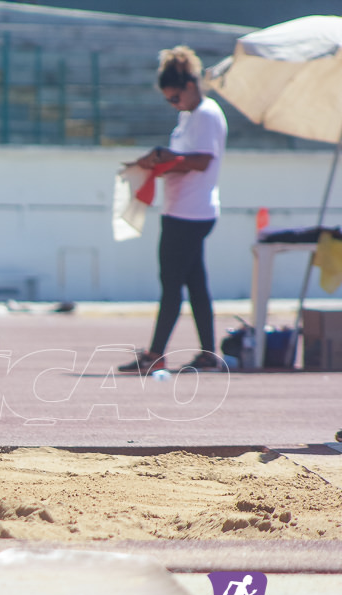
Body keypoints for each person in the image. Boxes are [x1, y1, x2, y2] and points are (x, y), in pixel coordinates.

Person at [119, 46, 227, 375]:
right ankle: (209, 353)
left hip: (189, 213)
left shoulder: (206, 114)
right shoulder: (189, 116)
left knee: (171, 282)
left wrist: (164, 159)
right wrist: (158, 162)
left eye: (175, 97)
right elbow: (184, 159)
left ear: (191, 86)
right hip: (184, 209)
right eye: (169, 100)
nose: (173, 104)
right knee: (194, 284)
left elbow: (200, 160)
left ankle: (155, 354)